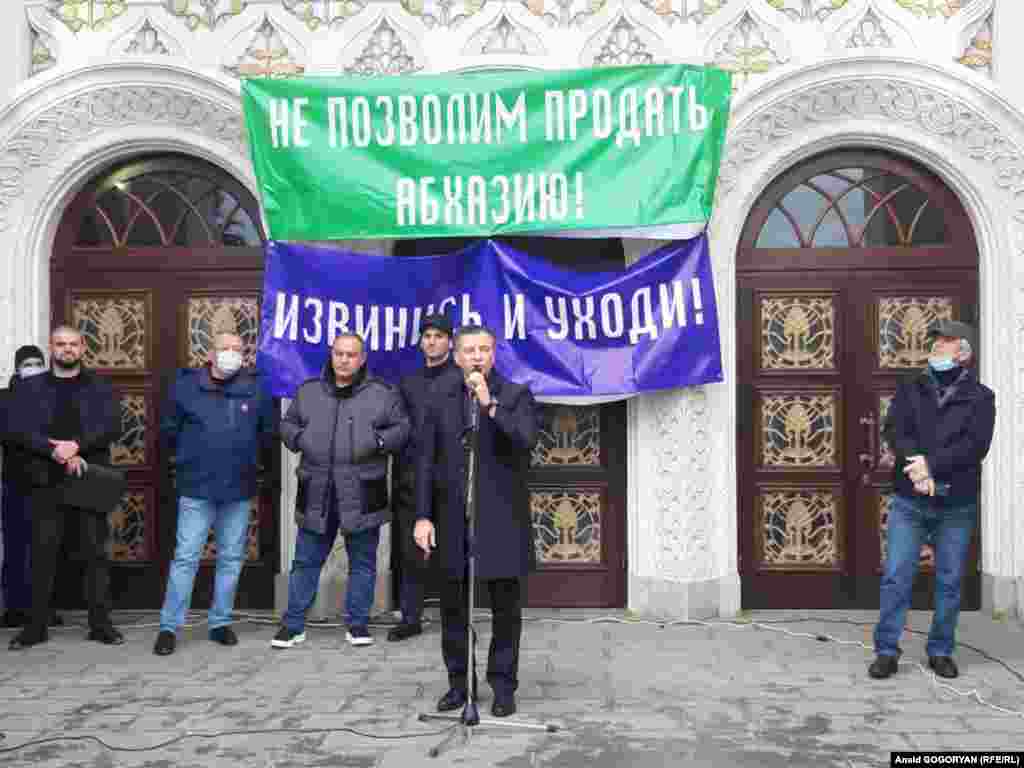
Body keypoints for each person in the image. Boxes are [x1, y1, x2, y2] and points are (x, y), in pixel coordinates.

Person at [414, 324, 539, 718]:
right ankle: (459, 684)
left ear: (494, 354)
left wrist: (490, 405)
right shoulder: (439, 398)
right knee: (452, 607)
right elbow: (425, 461)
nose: (477, 357)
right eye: (469, 350)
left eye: (484, 349)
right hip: (453, 520)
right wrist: (422, 515)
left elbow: (525, 441)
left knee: (506, 607)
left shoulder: (516, 395)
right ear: (456, 356)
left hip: (501, 519)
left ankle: (503, 685)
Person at [869, 319, 995, 680]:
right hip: (911, 500)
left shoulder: (982, 398)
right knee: (896, 575)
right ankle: (886, 650)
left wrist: (930, 466)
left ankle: (941, 651)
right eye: (935, 341)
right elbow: (895, 430)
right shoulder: (911, 386)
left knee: (950, 580)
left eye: (947, 341)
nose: (937, 346)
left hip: (956, 504)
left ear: (964, 352)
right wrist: (916, 469)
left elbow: (975, 446)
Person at [272, 333, 409, 649]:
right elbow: (287, 424)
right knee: (305, 561)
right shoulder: (308, 392)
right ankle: (293, 625)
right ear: (331, 355)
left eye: (351, 354)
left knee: (362, 562)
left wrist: (377, 442)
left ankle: (357, 624)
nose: (344, 360)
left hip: (363, 491)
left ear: (362, 359)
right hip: (317, 490)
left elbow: (401, 429)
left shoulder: (382, 394)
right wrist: (301, 440)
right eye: (339, 354)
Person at [153, 332, 276, 656]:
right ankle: (169, 627)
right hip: (196, 486)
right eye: (225, 348)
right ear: (210, 354)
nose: (231, 354)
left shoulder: (256, 389)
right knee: (186, 558)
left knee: (231, 558)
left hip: (238, 488)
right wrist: (180, 464)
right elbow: (168, 432)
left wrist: (257, 469)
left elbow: (267, 436)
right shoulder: (186, 387)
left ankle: (220, 622)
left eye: (237, 349)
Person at [6, 326, 122, 650]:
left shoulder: (100, 386)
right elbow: (15, 430)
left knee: (95, 555)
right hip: (45, 479)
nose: (67, 349)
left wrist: (77, 447)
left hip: (88, 480)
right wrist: (52, 450)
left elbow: (112, 425)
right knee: (41, 556)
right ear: (51, 348)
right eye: (60, 344)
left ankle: (101, 625)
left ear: (83, 348)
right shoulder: (29, 388)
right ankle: (35, 628)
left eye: (73, 344)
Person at [388, 313, 461, 642]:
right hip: (412, 475)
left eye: (438, 336)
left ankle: (454, 615)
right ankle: (410, 616)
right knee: (411, 551)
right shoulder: (409, 381)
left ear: (450, 340)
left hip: (449, 477)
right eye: (427, 336)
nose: (431, 341)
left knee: (451, 550)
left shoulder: (461, 379)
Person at [1, 345, 48, 628]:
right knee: (16, 548)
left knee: (44, 549)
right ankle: (15, 609)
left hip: (47, 482)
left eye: (37, 362)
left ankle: (42, 609)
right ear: (18, 367)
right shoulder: (6, 398)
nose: (33, 367)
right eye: (28, 363)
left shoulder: (53, 395)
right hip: (15, 483)